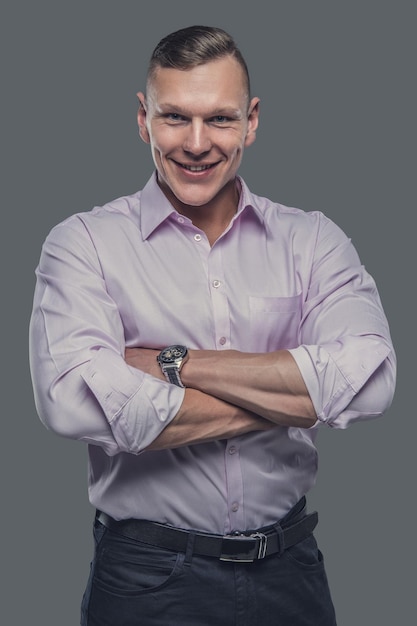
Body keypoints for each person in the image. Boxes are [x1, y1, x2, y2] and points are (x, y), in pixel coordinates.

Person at [29, 25, 396, 626]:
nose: (197, 144)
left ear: (251, 121)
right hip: (146, 575)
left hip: (291, 570)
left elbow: (374, 381)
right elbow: (71, 403)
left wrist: (176, 363)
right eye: (175, 117)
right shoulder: (84, 244)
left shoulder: (314, 241)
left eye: (220, 120)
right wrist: (302, 395)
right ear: (143, 117)